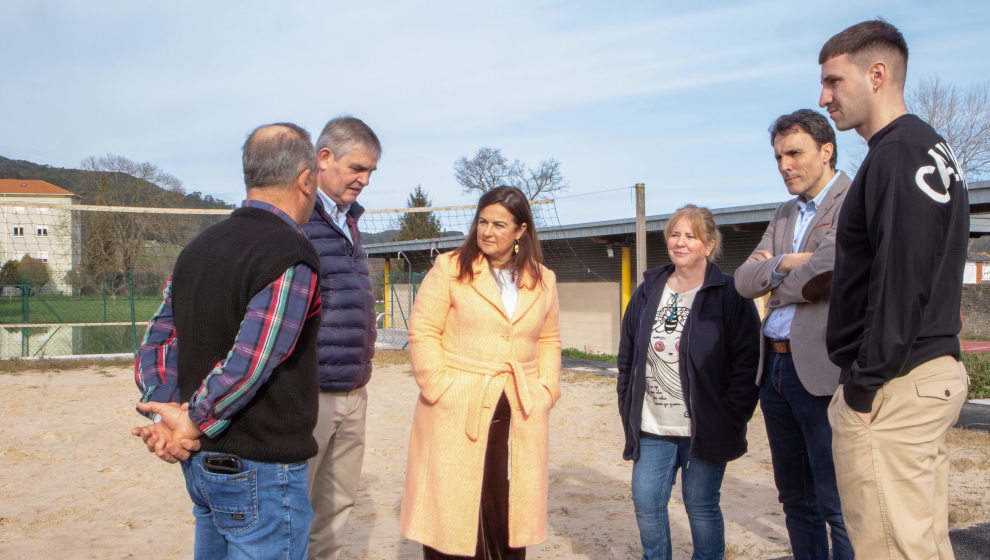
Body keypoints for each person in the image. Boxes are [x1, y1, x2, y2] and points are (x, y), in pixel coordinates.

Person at [131, 123, 323, 559]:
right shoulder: (290, 254)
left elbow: (157, 342)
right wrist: (190, 420)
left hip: (202, 468)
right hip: (260, 472)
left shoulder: (197, 248)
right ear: (306, 179)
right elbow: (251, 361)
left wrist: (164, 410)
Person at [819, 20, 970, 559]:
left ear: (876, 74)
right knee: (921, 546)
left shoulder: (897, 155)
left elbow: (900, 278)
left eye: (834, 82)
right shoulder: (930, 150)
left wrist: (862, 389)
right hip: (922, 374)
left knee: (891, 549)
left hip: (894, 388)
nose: (824, 97)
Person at [399, 185, 561, 559]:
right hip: (458, 406)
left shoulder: (543, 279)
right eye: (482, 222)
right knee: (454, 503)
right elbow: (423, 331)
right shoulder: (450, 268)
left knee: (506, 500)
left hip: (519, 406)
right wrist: (439, 386)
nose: (487, 232)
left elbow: (550, 339)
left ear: (521, 230)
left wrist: (547, 390)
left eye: (499, 224)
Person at [734, 109, 852, 560]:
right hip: (775, 369)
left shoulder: (853, 200)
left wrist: (776, 272)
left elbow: (833, 270)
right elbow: (744, 281)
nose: (785, 165)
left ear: (826, 151)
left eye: (795, 153)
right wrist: (783, 263)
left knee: (835, 500)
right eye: (779, 156)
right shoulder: (784, 212)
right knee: (794, 498)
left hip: (822, 369)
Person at [617, 204, 760, 560]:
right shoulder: (649, 290)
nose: (680, 243)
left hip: (705, 429)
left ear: (709, 245)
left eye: (690, 236)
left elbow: (748, 364)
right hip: (653, 427)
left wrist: (730, 416)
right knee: (647, 502)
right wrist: (626, 403)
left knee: (701, 507)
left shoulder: (729, 294)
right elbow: (628, 354)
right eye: (674, 234)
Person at [301, 116, 380, 560]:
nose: (364, 180)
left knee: (336, 507)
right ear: (324, 157)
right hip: (311, 393)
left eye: (370, 172)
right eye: (357, 168)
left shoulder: (349, 222)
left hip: (354, 391)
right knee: (295, 507)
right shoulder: (295, 218)